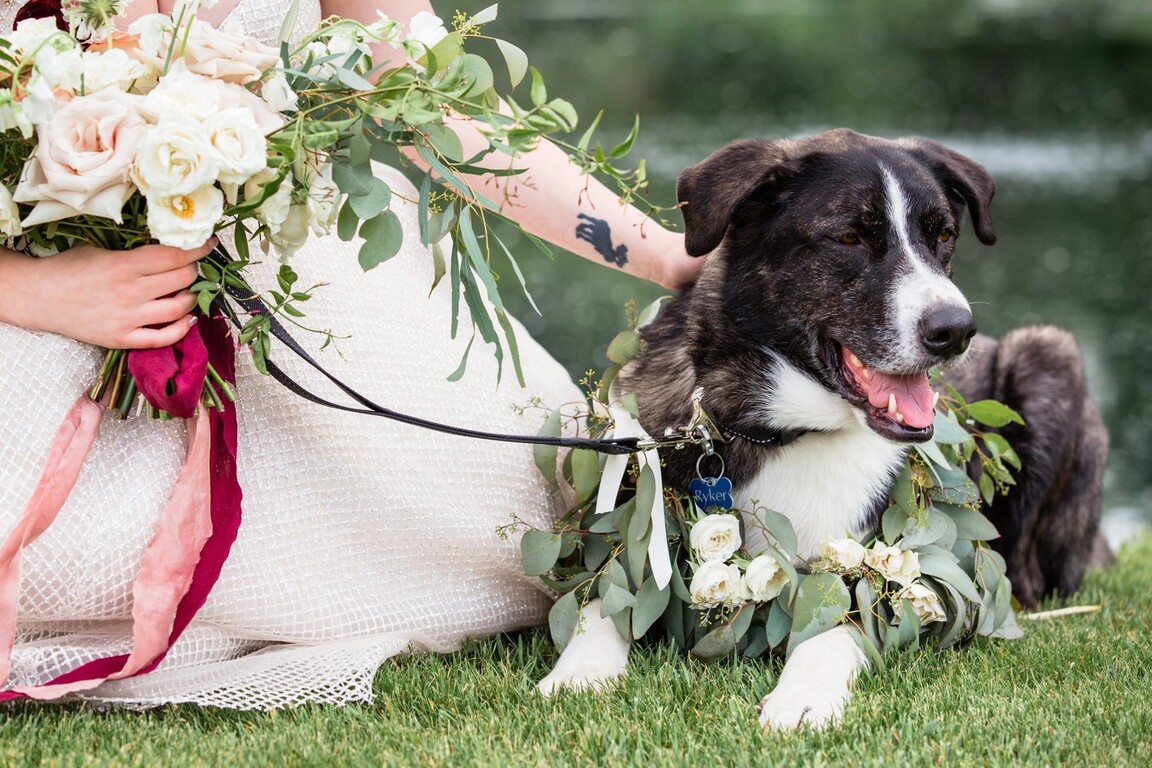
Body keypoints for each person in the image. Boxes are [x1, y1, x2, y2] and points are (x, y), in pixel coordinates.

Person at [0, 0, 699, 708]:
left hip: (302, 287)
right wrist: (32, 290)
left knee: (534, 507)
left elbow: (448, 112)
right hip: (40, 301)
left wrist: (664, 255)